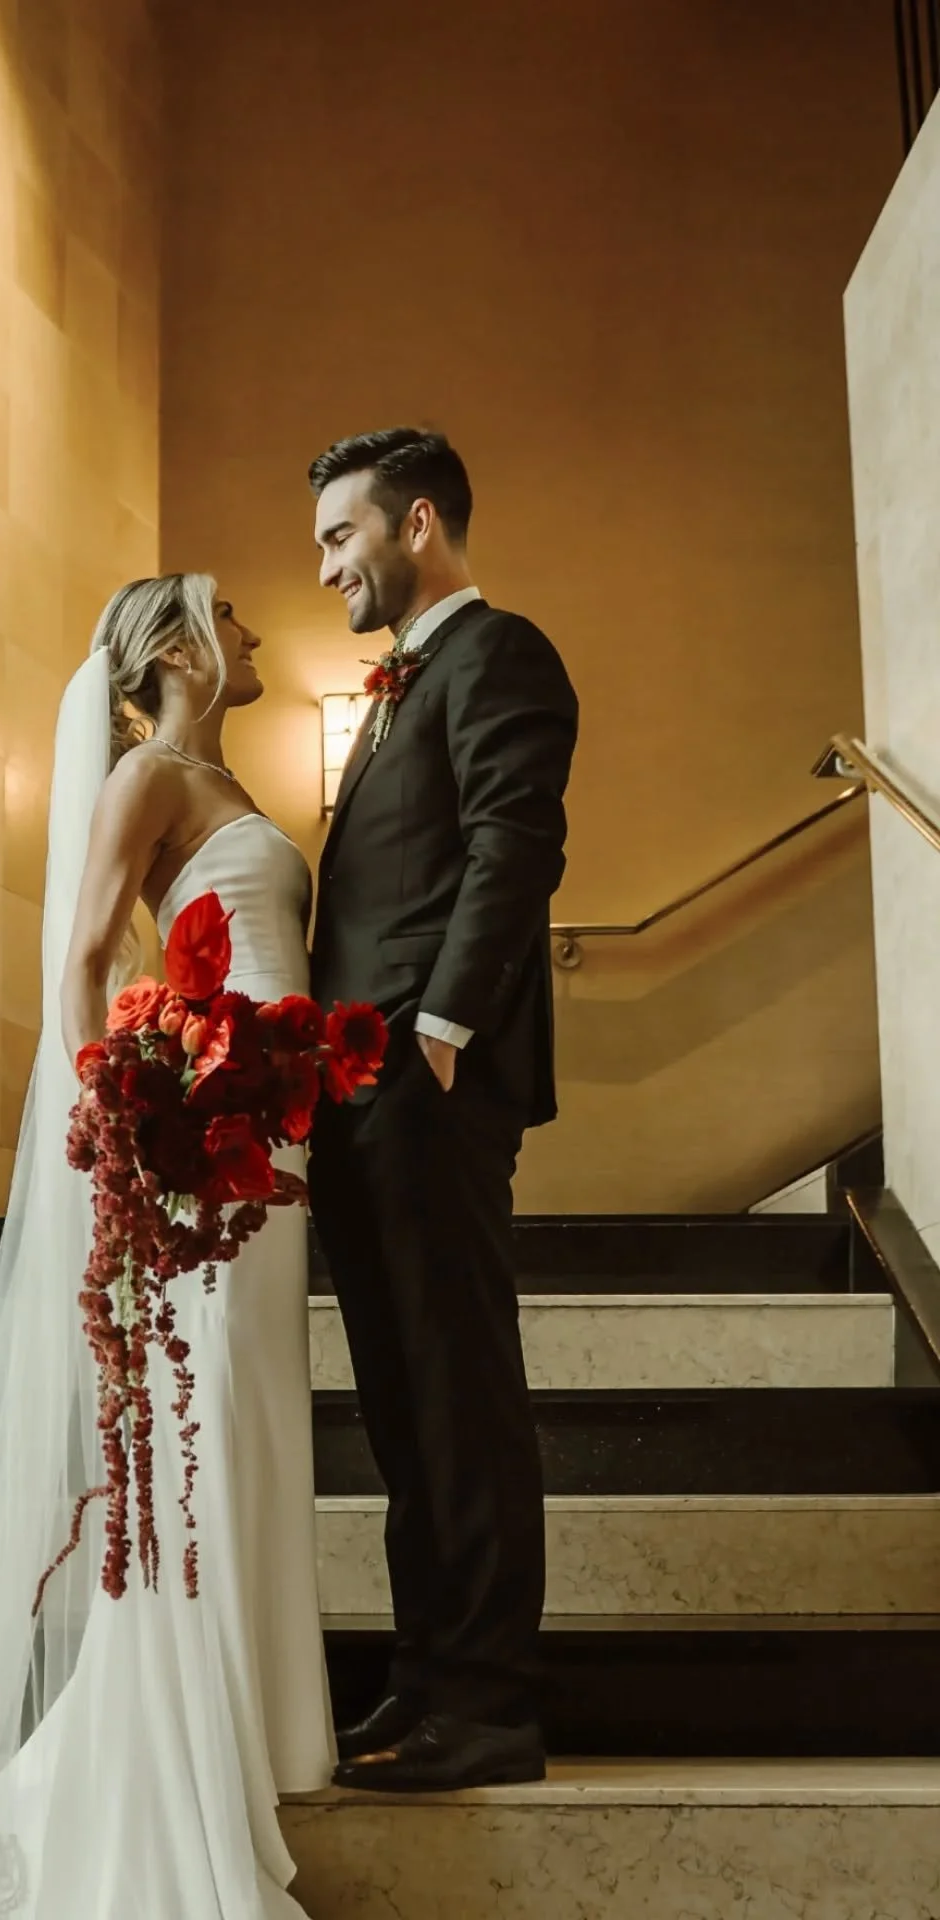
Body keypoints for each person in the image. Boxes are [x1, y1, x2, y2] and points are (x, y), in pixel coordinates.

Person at [0, 574, 332, 1920]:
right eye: (238, 620)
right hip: (210, 1139)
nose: (259, 635)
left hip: (269, 1126)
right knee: (212, 1424)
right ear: (182, 651)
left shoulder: (220, 782)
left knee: (254, 1414)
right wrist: (126, 1110)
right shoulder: (148, 774)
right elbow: (83, 952)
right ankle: (168, 1739)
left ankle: (254, 1719)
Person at [308, 427, 579, 1793]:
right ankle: (426, 1680)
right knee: (404, 1402)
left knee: (458, 1394)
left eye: (340, 537)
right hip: (360, 1096)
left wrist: (444, 1027)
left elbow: (515, 839)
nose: (326, 568)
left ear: (417, 523)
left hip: (428, 1084)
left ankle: (488, 1705)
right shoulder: (399, 684)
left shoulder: (500, 652)